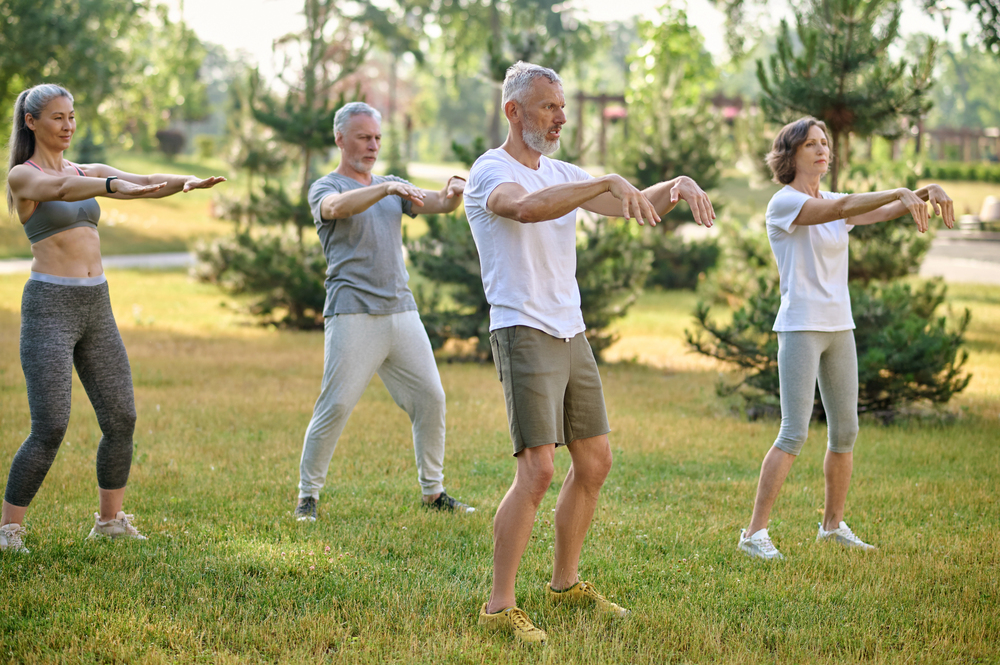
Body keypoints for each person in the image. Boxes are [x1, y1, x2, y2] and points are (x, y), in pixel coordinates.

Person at [464, 62, 716, 643]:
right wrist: (602, 180)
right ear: (514, 111)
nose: (560, 117)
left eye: (562, 106)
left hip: (569, 329)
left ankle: (565, 584)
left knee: (596, 461)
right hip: (522, 326)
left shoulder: (561, 171)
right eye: (549, 106)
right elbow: (524, 208)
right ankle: (499, 607)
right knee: (538, 469)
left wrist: (672, 187)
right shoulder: (490, 171)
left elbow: (627, 202)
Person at [0, 84, 226, 553]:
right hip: (49, 307)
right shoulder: (24, 177)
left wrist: (184, 180)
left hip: (95, 306)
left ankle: (109, 520)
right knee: (51, 425)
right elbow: (60, 188)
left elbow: (143, 179)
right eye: (58, 118)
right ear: (31, 121)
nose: (68, 126)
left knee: (122, 416)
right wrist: (111, 186)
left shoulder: (86, 168)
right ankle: (9, 529)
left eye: (72, 116)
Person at [737, 117, 955, 561]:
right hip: (800, 326)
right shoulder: (784, 203)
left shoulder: (834, 199)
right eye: (811, 144)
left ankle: (831, 527)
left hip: (840, 326)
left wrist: (925, 190)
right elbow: (842, 210)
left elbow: (879, 210)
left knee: (846, 430)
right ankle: (754, 534)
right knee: (793, 432)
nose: (822, 150)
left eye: (825, 143)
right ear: (790, 154)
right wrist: (898, 190)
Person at [293, 102, 474, 522]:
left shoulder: (391, 184)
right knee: (335, 405)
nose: (372, 145)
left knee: (431, 398)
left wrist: (450, 193)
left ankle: (434, 492)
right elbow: (338, 209)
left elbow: (438, 204)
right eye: (363, 137)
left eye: (377, 138)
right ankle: (308, 496)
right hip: (353, 312)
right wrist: (387, 189)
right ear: (341, 139)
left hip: (401, 311)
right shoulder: (326, 186)